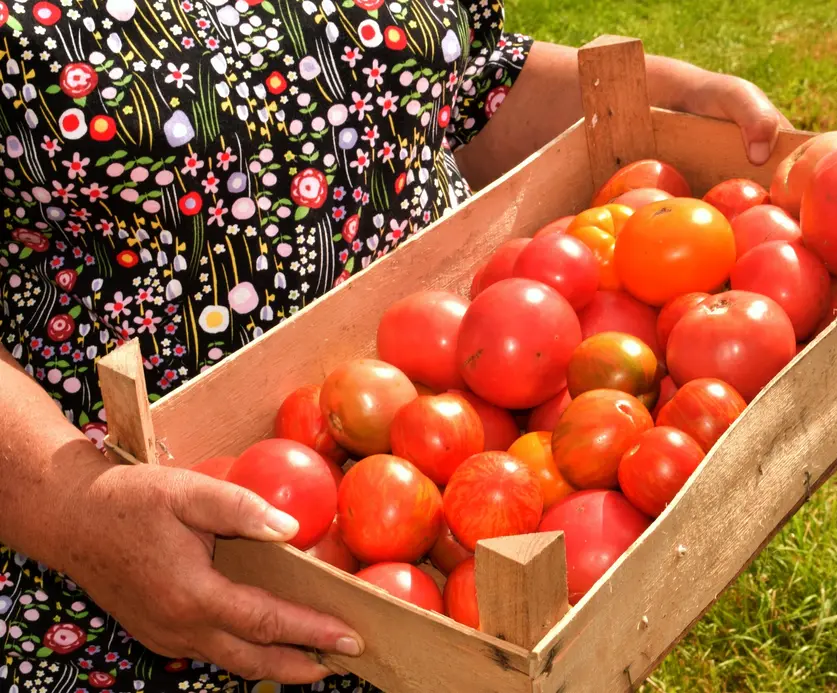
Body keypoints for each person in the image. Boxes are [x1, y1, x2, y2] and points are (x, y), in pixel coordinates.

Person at [0, 0, 791, 688]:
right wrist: (78, 512)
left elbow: (462, 85)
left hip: (452, 483)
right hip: (126, 568)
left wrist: (653, 101)